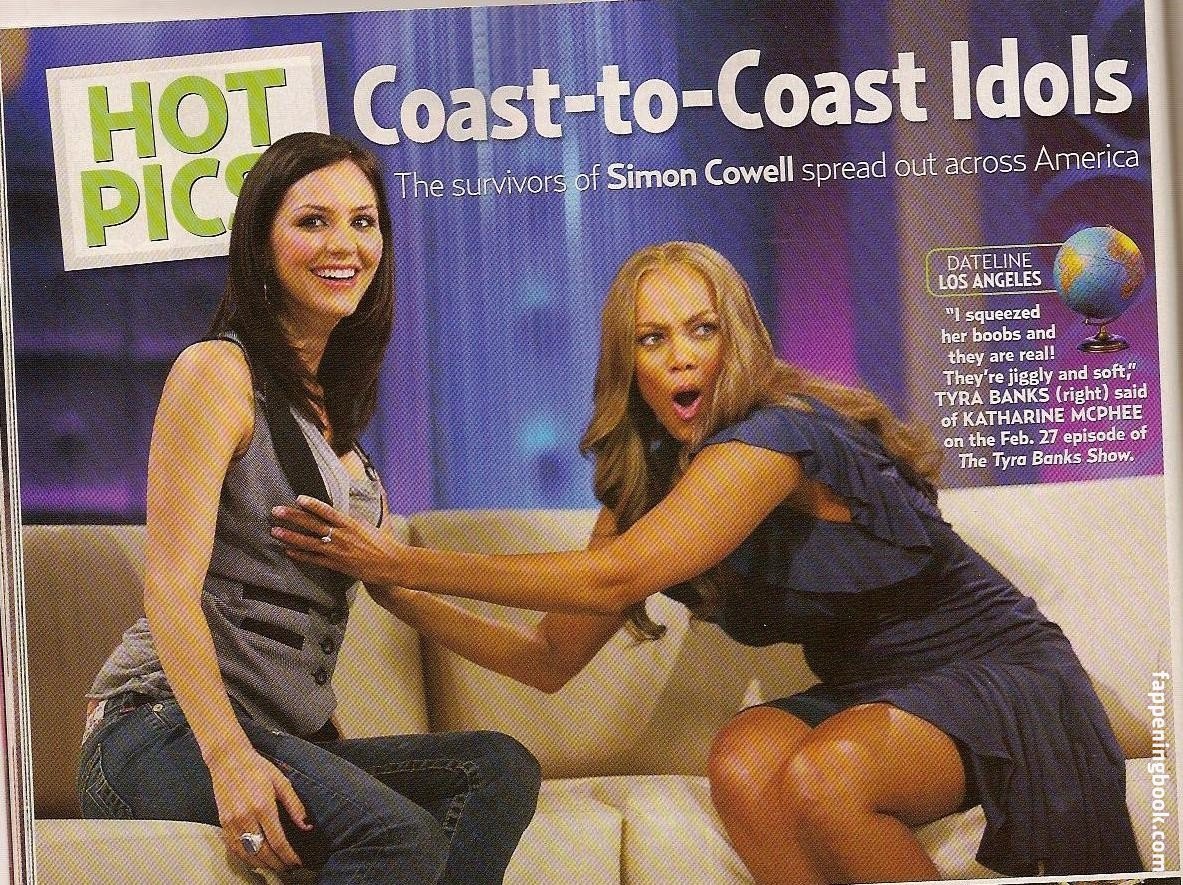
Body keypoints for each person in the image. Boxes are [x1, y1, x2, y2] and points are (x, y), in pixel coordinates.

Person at [272, 240, 1143, 883]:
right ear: (630, 362)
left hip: (995, 672)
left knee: (828, 774)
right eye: (653, 338)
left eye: (701, 329)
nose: (682, 355)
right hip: (874, 686)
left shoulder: (776, 436)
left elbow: (614, 578)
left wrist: (411, 562)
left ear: (738, 338)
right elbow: (546, 657)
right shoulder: (645, 486)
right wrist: (395, 592)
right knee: (743, 755)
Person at [79, 131, 540, 885]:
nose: (345, 244)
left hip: (281, 737)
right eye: (312, 221)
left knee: (497, 767)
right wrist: (230, 759)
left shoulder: (337, 422)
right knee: (396, 835)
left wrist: (540, 651)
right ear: (261, 244)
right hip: (158, 732)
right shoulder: (217, 372)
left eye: (363, 222)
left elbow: (392, 588)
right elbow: (167, 588)